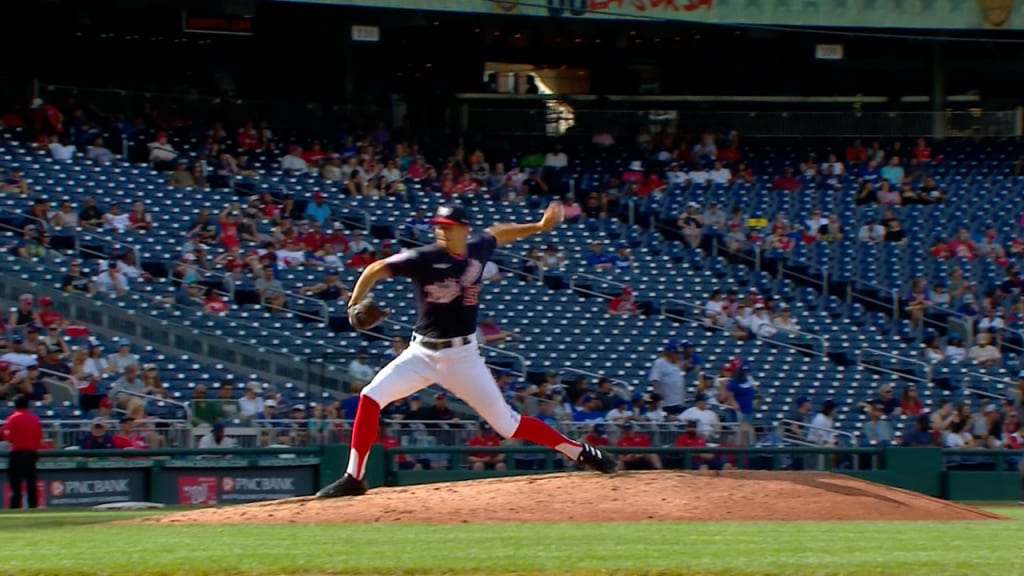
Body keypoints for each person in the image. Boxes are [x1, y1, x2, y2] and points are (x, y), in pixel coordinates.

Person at [316, 203, 617, 498]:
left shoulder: (477, 248)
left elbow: (498, 233)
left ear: (463, 229)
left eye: (449, 227)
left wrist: (539, 226)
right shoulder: (423, 257)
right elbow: (375, 268)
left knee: (508, 426)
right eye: (439, 228)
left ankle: (578, 451)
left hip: (463, 358)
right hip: (420, 354)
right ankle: (354, 477)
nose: (442, 233)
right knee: (370, 397)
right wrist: (354, 303)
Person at [1, 395, 43, 508]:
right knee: (31, 481)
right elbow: (39, 436)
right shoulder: (34, 418)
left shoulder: (12, 418)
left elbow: (7, 437)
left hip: (17, 453)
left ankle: (15, 507)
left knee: (16, 483)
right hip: (31, 453)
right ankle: (33, 506)